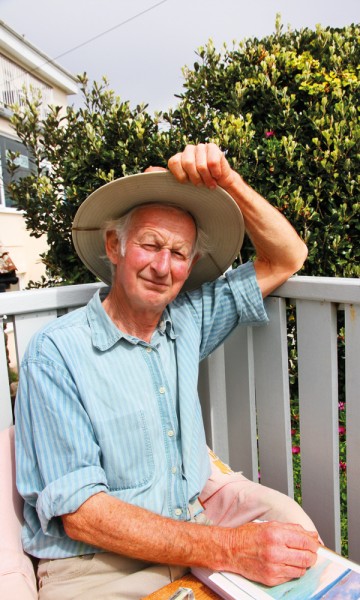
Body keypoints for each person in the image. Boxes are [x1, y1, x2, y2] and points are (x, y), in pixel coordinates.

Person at [15, 143, 319, 600]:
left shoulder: (187, 319)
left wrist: (226, 183)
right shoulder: (57, 352)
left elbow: (287, 256)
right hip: (97, 565)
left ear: (192, 265)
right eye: (150, 244)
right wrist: (232, 548)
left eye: (179, 253)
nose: (162, 266)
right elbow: (82, 514)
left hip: (192, 534)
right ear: (114, 246)